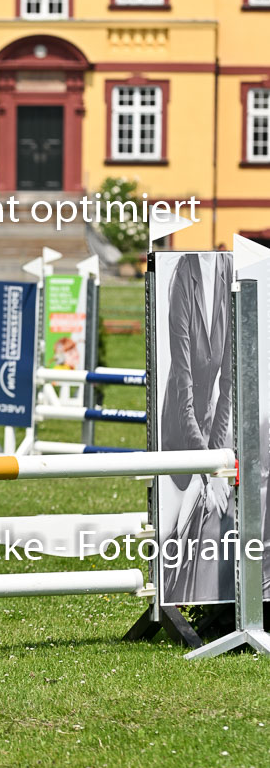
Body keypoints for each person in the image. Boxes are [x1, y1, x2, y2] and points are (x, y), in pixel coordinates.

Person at [159, 251, 234, 603]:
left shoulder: (228, 268)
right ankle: (165, 599)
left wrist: (216, 458)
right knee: (170, 530)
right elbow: (183, 382)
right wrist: (207, 464)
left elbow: (228, 383)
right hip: (178, 424)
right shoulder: (182, 275)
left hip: (208, 425)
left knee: (202, 521)